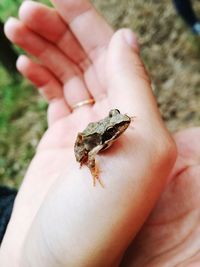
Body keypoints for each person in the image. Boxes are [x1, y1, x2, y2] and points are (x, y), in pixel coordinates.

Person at [0, 0, 200, 266]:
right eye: (116, 127)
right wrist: (92, 170)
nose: (122, 126)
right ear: (111, 133)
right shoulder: (101, 142)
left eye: (117, 123)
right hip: (88, 139)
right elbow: (91, 152)